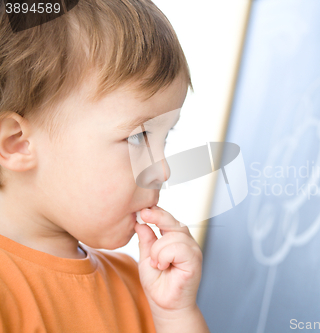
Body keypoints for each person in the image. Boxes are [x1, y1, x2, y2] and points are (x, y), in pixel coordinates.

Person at [0, 0, 210, 332]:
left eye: (165, 136)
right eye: (139, 137)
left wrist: (175, 315)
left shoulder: (141, 287)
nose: (163, 170)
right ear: (17, 144)